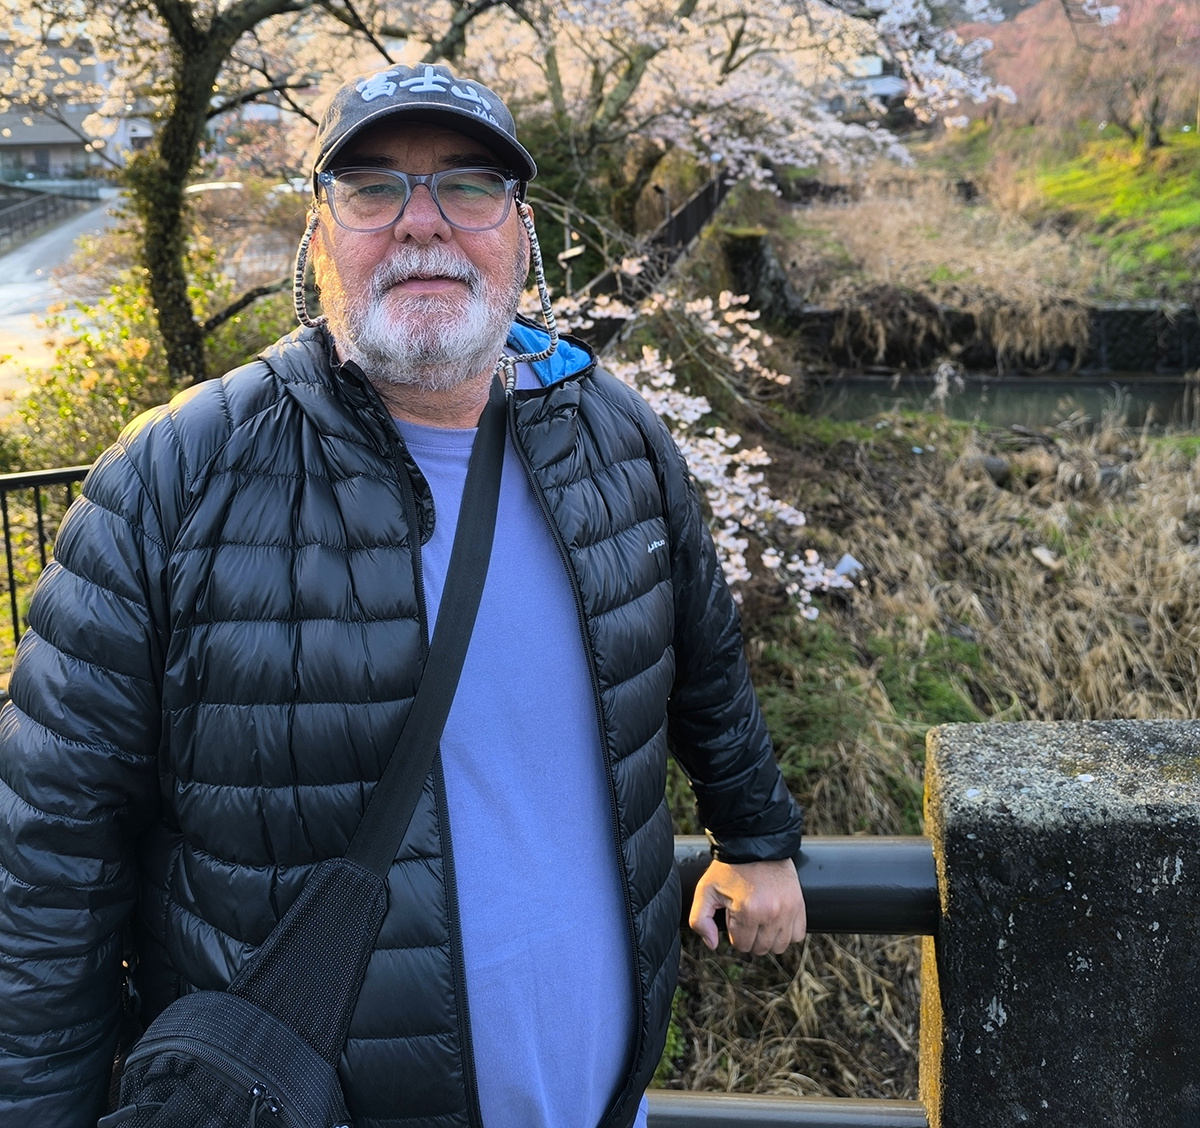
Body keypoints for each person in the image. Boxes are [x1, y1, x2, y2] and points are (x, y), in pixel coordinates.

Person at [0, 61, 806, 1128]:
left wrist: (756, 838)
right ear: (318, 237)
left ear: (522, 233)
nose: (422, 223)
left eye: (469, 186)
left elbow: (706, 663)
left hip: (605, 1103)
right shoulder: (174, 477)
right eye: (373, 188)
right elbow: (48, 862)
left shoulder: (611, 435)